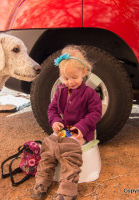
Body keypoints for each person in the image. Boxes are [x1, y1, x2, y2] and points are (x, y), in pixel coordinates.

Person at [31, 45, 102, 200]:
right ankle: (43, 180)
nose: (70, 82)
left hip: (82, 132)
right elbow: (52, 110)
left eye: (74, 78)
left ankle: (67, 189)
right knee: (48, 145)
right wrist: (55, 121)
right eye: (66, 78)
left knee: (69, 151)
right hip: (65, 130)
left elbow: (95, 112)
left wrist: (81, 127)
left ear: (83, 73)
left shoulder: (89, 94)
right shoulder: (60, 91)